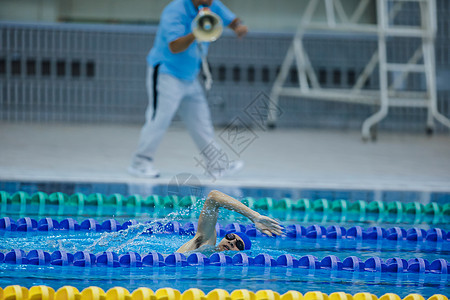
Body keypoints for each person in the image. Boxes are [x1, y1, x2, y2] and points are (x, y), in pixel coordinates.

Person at [128, 0, 249, 178]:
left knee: (201, 121)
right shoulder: (175, 11)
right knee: (159, 119)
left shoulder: (212, 5)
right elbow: (174, 46)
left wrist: (238, 27)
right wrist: (197, 33)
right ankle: (140, 163)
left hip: (190, 76)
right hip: (166, 73)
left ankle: (217, 165)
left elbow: (231, 19)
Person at [176, 190, 283, 253]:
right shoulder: (205, 242)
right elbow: (213, 197)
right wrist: (254, 216)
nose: (231, 242)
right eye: (231, 237)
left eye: (239, 245)